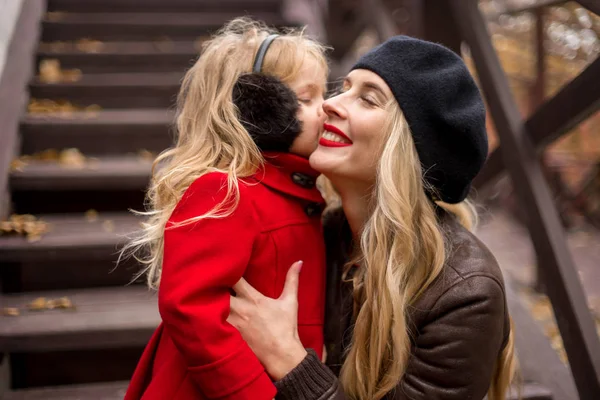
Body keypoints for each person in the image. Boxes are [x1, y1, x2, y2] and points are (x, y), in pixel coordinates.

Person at [228, 36, 517, 400]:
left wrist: (288, 360)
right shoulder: (323, 232)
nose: (329, 105)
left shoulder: (464, 293)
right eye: (343, 88)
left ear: (408, 144)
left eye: (367, 98)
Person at [122, 18, 329, 400]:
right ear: (259, 108)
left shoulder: (301, 192)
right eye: (306, 98)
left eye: (323, 94)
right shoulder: (226, 191)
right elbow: (190, 307)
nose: (326, 109)